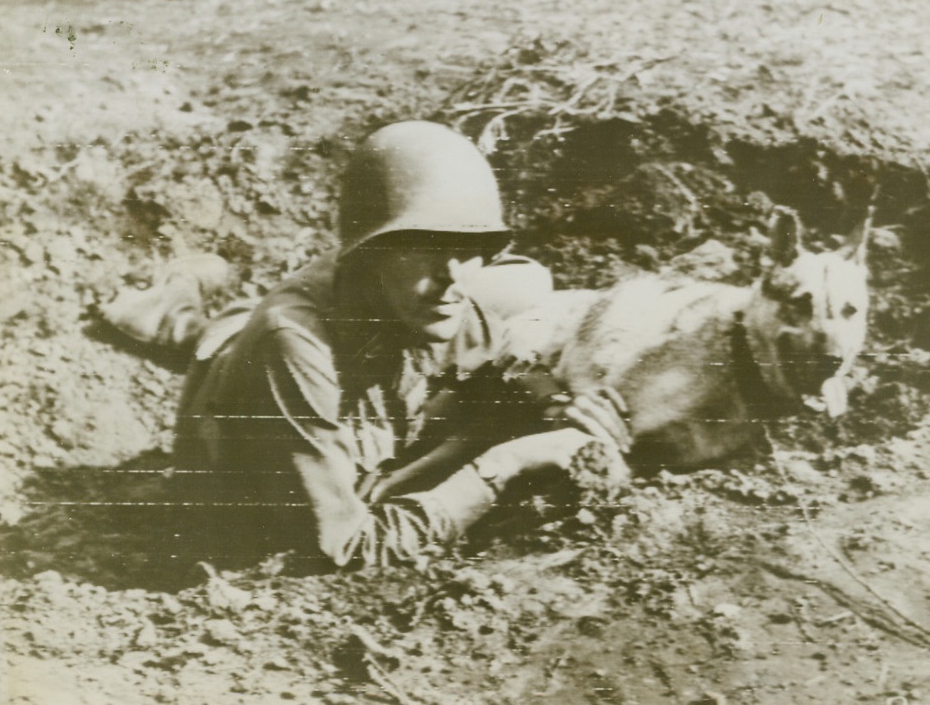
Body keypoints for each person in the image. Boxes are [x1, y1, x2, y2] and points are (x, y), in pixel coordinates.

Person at [103, 120, 631, 569]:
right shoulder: (292, 345)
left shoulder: (433, 293)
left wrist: (555, 402)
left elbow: (493, 361)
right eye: (426, 248)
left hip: (346, 369)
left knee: (527, 283)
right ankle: (173, 309)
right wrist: (504, 465)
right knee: (233, 338)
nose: (453, 277)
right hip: (242, 437)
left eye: (472, 249)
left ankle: (192, 304)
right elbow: (342, 547)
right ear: (371, 253)